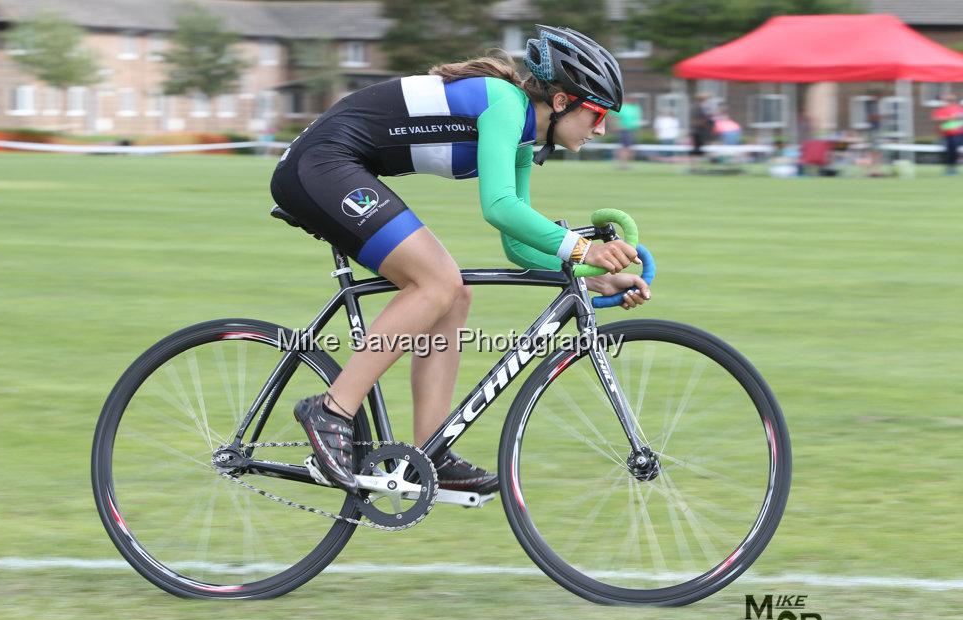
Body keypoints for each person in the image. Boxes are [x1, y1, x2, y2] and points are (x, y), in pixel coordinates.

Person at [270, 25, 651, 495]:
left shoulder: (524, 141)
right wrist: (583, 247)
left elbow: (515, 240)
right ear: (560, 101)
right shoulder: (505, 105)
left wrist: (590, 279)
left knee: (453, 295)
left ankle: (428, 452)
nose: (602, 128)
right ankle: (331, 409)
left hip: (337, 166)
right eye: (596, 113)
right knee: (435, 282)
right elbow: (498, 206)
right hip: (321, 165)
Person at [932, 92, 963, 175]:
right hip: (949, 135)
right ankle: (951, 168)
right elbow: (937, 120)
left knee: (954, 149)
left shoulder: (959, 108)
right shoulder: (940, 110)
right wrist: (952, 118)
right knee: (951, 151)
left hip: (960, 134)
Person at [613, 99, 642, 168]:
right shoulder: (623, 107)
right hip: (625, 130)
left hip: (631, 130)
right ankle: (623, 164)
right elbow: (615, 117)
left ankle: (626, 163)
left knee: (628, 147)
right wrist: (617, 126)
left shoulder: (635, 108)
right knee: (625, 147)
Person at [689, 93, 714, 169]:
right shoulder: (697, 109)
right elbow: (698, 121)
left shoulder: (703, 108)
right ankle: (695, 166)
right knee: (697, 149)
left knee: (702, 149)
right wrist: (707, 123)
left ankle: (699, 166)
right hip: (699, 132)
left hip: (702, 131)